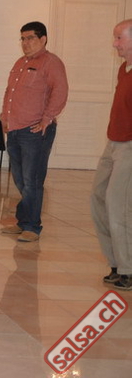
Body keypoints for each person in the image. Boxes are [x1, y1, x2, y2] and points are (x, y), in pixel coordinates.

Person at [0, 21, 68, 242]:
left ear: (43, 39)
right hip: (14, 129)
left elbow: (60, 91)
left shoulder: (51, 62)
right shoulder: (20, 63)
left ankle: (32, 226)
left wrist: (47, 118)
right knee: (20, 178)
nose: (25, 43)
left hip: (35, 130)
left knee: (33, 180)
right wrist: (4, 117)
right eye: (22, 38)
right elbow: (9, 92)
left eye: (30, 38)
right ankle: (23, 221)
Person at [91, 19, 132, 291]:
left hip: (129, 146)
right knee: (97, 198)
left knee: (120, 205)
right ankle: (116, 261)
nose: (114, 43)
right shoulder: (123, 69)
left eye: (119, 38)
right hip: (113, 142)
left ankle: (129, 269)